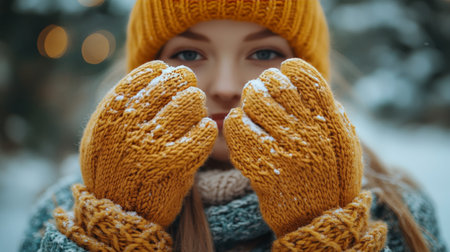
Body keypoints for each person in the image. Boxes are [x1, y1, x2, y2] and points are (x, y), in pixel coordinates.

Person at [20, 1, 447, 251]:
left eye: (263, 54)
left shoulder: (395, 213)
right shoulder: (68, 212)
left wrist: (327, 229)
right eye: (189, 54)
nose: (226, 87)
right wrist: (112, 227)